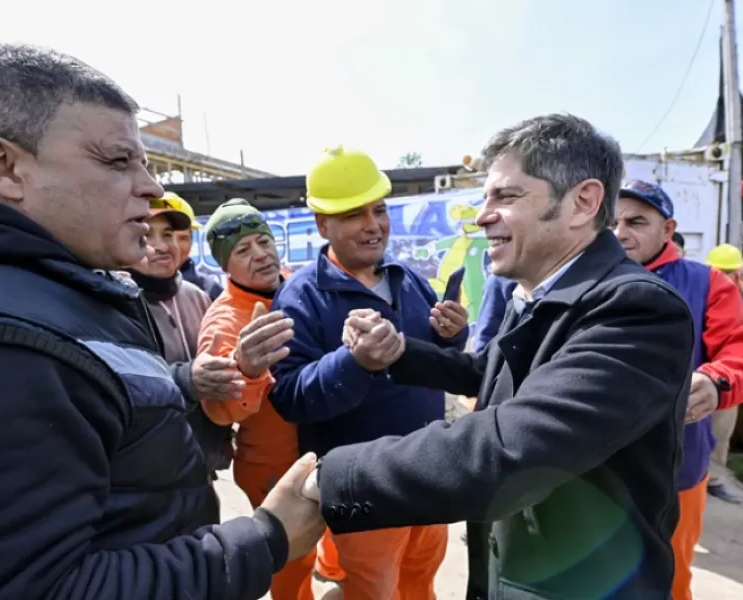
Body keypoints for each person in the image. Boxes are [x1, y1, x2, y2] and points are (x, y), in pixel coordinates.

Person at [0, 43, 323, 599]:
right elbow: (32, 587)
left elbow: (104, 405)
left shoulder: (65, 296)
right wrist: (264, 538)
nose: (151, 187)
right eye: (119, 160)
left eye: (146, 162)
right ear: (3, 167)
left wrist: (183, 380)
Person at [299, 115, 696, 600]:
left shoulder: (636, 311)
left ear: (583, 203)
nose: (483, 215)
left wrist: (334, 477)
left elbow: (511, 448)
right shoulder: (535, 291)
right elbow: (491, 372)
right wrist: (400, 354)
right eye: (485, 198)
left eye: (505, 197)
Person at [270, 146, 470, 600]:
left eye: (378, 210)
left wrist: (450, 337)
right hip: (366, 487)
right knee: (374, 591)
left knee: (420, 581)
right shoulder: (301, 297)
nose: (373, 224)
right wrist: (352, 362)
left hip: (429, 471)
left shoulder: (408, 278)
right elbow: (289, 396)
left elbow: (433, 361)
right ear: (324, 225)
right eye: (353, 215)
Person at [195, 198, 345, 600]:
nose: (260, 254)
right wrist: (246, 367)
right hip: (274, 464)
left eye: (263, 241)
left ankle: (330, 568)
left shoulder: (299, 287)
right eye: (243, 251)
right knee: (291, 564)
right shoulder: (224, 322)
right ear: (225, 265)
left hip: (325, 447)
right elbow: (219, 411)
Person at [613, 182, 743, 598]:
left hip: (677, 466)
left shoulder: (709, 284)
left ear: (668, 230)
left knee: (668, 575)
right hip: (594, 464)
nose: (620, 233)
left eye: (636, 222)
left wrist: (717, 379)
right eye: (612, 222)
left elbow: (736, 348)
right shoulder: (584, 278)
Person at [126, 198, 234, 495]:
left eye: (169, 235)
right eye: (147, 235)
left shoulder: (197, 296)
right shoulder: (115, 303)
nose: (163, 246)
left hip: (201, 467)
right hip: (145, 479)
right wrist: (188, 380)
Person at [703, 243, 743, 504]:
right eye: (722, 271)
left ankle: (715, 479)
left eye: (733, 272)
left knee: (722, 432)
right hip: (704, 376)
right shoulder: (703, 292)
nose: (727, 278)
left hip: (729, 380)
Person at [158, 191, 225, 300]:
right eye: (167, 236)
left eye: (183, 238)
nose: (175, 246)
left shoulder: (211, 291)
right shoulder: (128, 290)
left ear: (192, 241)